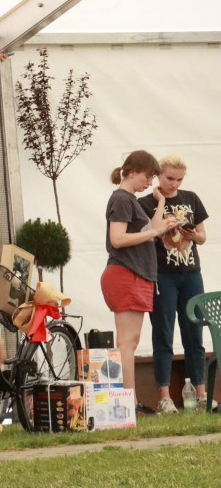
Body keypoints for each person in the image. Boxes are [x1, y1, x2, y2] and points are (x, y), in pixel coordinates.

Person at [100, 150, 177, 396]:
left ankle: (128, 401)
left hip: (134, 274)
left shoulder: (129, 199)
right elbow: (118, 238)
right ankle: (126, 402)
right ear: (131, 171)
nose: (150, 182)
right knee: (126, 343)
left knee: (130, 342)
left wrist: (161, 208)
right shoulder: (122, 199)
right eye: (147, 176)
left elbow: (149, 229)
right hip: (125, 273)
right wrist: (155, 233)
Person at [137, 155, 211, 412]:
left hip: (191, 273)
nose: (175, 184)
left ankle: (202, 395)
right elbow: (146, 235)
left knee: (195, 332)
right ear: (158, 175)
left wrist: (193, 234)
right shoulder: (146, 202)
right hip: (162, 274)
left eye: (179, 179)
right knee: (163, 332)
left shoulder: (190, 198)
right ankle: (164, 396)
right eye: (170, 178)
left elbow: (202, 237)